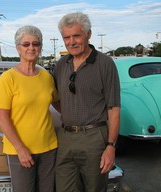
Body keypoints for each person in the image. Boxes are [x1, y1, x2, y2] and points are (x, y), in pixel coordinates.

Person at [53, 12, 121, 192]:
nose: (71, 42)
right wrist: (70, 111)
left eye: (76, 35)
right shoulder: (61, 64)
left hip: (94, 138)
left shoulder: (105, 64)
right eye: (66, 37)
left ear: (88, 34)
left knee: (94, 188)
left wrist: (110, 146)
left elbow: (113, 108)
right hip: (65, 138)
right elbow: (54, 98)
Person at [0, 25, 59, 192]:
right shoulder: (8, 78)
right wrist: (20, 149)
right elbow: (2, 118)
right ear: (18, 48)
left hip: (49, 147)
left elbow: (59, 104)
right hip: (20, 150)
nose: (31, 48)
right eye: (26, 44)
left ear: (40, 48)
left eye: (36, 44)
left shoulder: (46, 77)